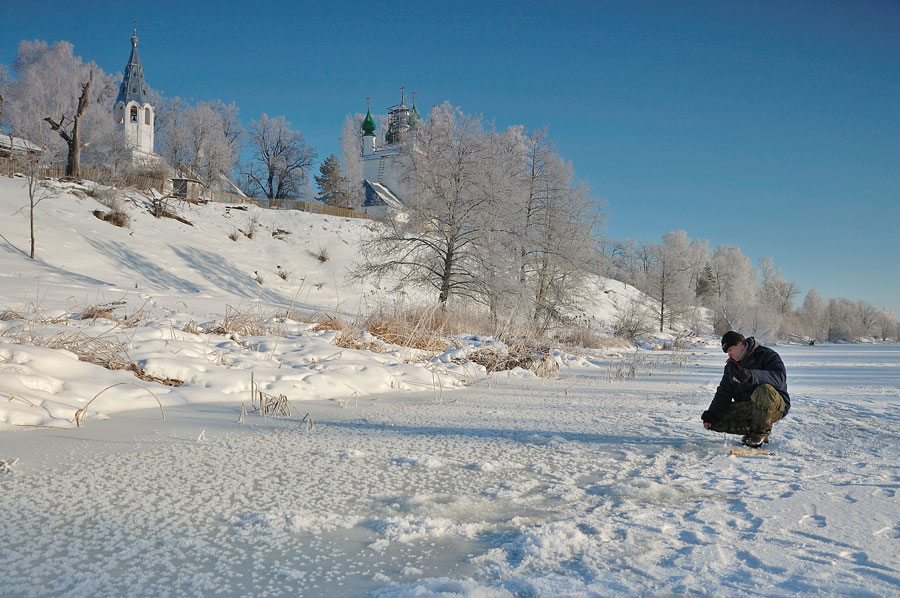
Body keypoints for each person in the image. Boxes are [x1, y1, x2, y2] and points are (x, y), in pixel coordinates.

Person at [701, 331, 790, 448]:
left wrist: (752, 375)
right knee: (716, 421)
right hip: (749, 407)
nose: (729, 354)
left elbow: (779, 378)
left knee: (764, 390)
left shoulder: (767, 354)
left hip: (775, 406)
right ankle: (752, 430)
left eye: (730, 350)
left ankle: (759, 435)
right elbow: (724, 392)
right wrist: (712, 413)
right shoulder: (730, 367)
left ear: (740, 343)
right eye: (727, 352)